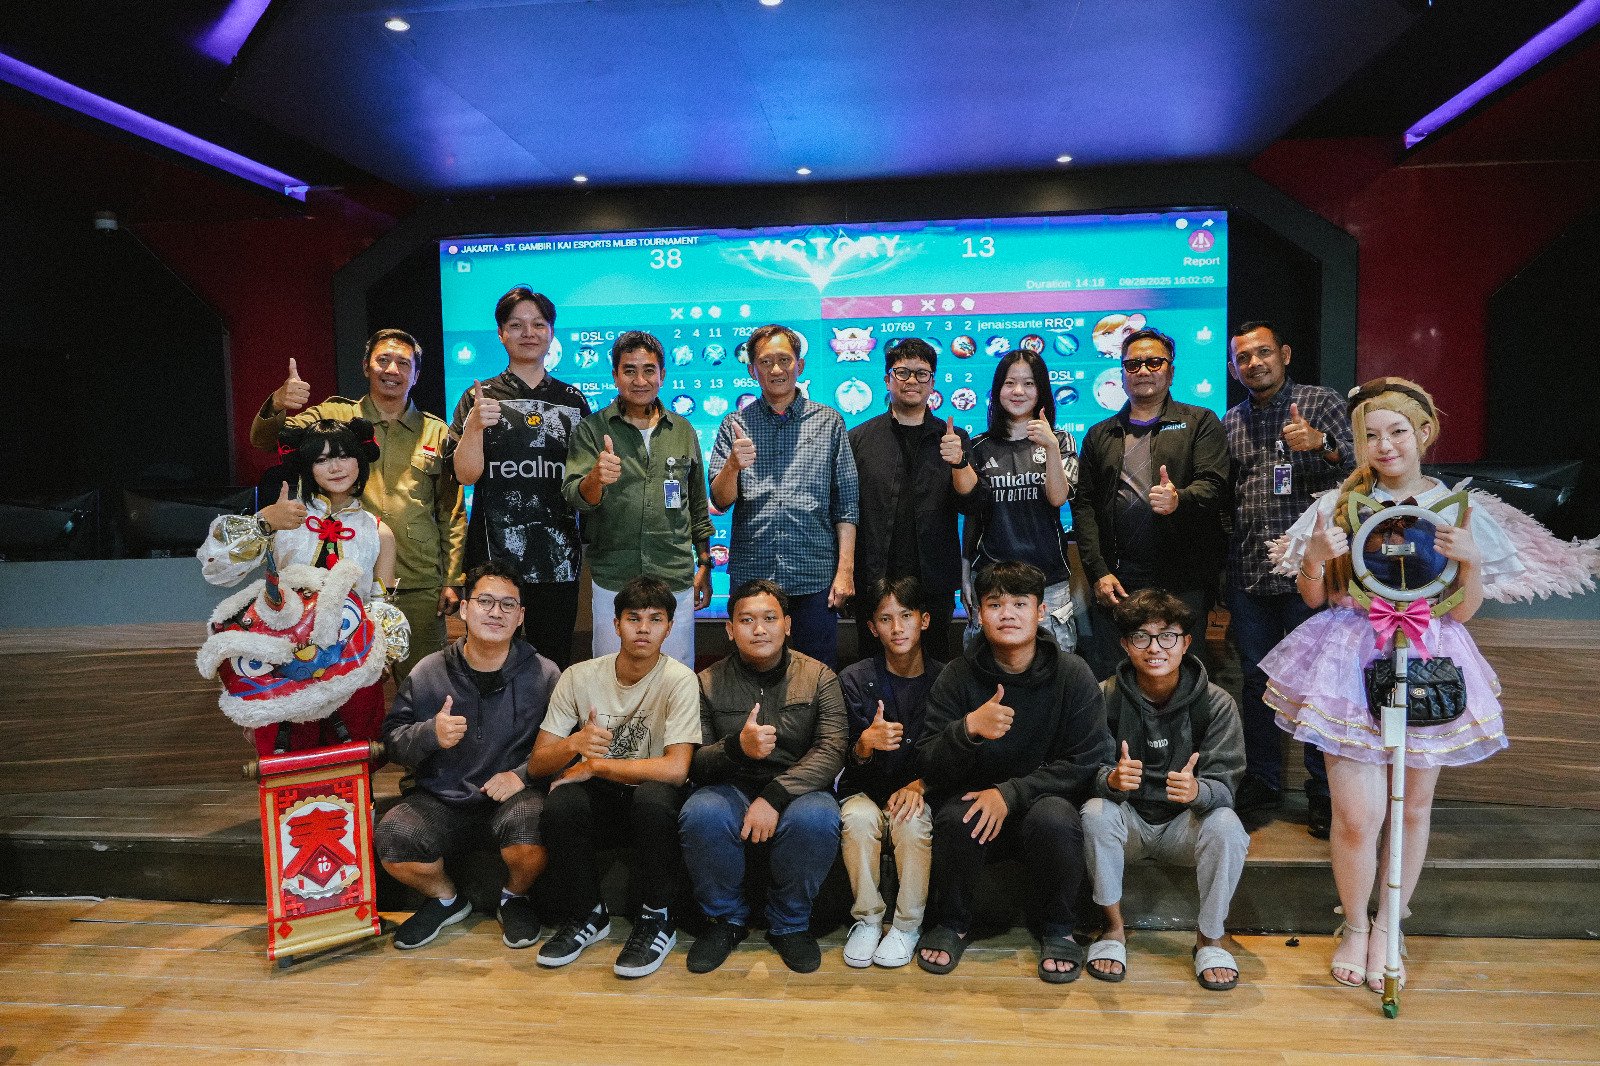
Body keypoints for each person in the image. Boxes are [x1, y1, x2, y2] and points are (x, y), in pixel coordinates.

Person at [1262, 378, 1534, 992]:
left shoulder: (1457, 509)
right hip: (1351, 657)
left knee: (1412, 807)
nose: (1385, 445)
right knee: (1357, 815)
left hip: (1429, 653)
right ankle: (1356, 925)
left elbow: (1464, 611)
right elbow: (1315, 595)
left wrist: (1470, 559)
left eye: (1397, 432)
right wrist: (1316, 553)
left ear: (1423, 433)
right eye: (1371, 435)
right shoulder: (1340, 503)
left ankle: (1391, 925)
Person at [914, 561, 1113, 982]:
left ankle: (1058, 928)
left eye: (1020, 604)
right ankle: (953, 922)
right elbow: (928, 760)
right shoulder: (957, 676)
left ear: (1040, 612)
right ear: (978, 614)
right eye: (994, 604)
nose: (1007, 614)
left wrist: (1010, 793)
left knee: (1055, 817)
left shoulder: (1072, 673)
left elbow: (1086, 759)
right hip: (977, 803)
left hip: (1043, 804)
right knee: (956, 816)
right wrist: (968, 729)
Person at [249, 330, 466, 682]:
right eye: (383, 360)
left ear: (416, 375)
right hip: (343, 582)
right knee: (346, 686)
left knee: (425, 685)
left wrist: (453, 579)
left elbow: (450, 511)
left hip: (418, 582)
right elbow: (265, 440)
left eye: (403, 363)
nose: (392, 369)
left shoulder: (435, 432)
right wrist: (277, 402)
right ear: (366, 366)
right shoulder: (334, 415)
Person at [374, 559, 560, 951]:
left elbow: (563, 747)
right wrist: (429, 734)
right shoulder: (429, 671)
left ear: (521, 616)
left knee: (534, 831)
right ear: (463, 608)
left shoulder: (544, 674)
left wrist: (523, 775)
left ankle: (514, 896)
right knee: (393, 837)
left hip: (513, 798)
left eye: (508, 605)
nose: (496, 612)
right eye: (485, 601)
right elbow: (392, 740)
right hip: (442, 797)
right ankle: (446, 899)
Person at [527, 575, 702, 978]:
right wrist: (574, 744)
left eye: (655, 619)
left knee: (653, 799)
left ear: (669, 628)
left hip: (651, 794)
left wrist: (597, 764)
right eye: (633, 618)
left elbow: (676, 769)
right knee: (562, 803)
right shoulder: (579, 676)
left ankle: (657, 918)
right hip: (602, 794)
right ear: (616, 624)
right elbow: (538, 764)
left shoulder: (679, 679)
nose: (643, 628)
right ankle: (587, 914)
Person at [1081, 589, 1250, 991]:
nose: (1155, 648)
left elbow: (1227, 785)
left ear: (1186, 642)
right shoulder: (1105, 696)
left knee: (1227, 825)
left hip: (1183, 827)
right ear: (1126, 645)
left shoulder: (1216, 703)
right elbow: (1084, 769)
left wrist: (1198, 791)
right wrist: (1110, 780)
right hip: (1129, 825)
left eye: (1167, 636)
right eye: (1141, 637)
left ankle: (1209, 938)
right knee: (1094, 813)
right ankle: (1113, 928)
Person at [199, 417, 399, 753]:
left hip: (350, 662)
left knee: (353, 754)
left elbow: (382, 605)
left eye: (344, 455)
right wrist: (263, 523)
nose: (335, 467)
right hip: (282, 661)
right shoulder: (284, 517)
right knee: (288, 757)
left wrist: (383, 659)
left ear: (360, 460)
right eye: (321, 459)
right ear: (306, 466)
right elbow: (216, 570)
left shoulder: (378, 531)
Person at [678, 578, 847, 974]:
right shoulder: (705, 682)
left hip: (798, 788)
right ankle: (725, 920)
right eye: (747, 620)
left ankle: (790, 923)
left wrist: (775, 794)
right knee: (700, 812)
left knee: (818, 817)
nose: (759, 629)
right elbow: (695, 762)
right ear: (729, 628)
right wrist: (738, 747)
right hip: (730, 786)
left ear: (787, 624)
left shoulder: (820, 676)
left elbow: (832, 749)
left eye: (770, 618)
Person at [1224, 321, 1353, 835]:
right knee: (1257, 681)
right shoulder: (1231, 421)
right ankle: (1263, 782)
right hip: (1251, 574)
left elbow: (1359, 466)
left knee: (1317, 683)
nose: (1254, 363)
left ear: (1285, 354)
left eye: (1263, 352)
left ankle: (1322, 792)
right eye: (1244, 357)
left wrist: (1321, 444)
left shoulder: (1321, 403)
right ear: (1234, 368)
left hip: (1312, 575)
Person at [449, 287, 591, 669]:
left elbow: (583, 485)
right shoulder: (479, 397)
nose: (528, 333)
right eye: (516, 325)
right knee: (489, 659)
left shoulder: (573, 401)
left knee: (552, 663)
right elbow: (464, 475)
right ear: (501, 334)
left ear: (551, 332)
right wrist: (474, 427)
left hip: (558, 559)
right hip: (493, 559)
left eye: (538, 324)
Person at [1074, 327, 1229, 678]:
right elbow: (1084, 507)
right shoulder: (1100, 434)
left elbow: (1215, 485)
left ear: (1171, 371)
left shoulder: (1200, 421)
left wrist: (1179, 499)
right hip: (1118, 581)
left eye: (1154, 362)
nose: (1143, 370)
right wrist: (1098, 572)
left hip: (1182, 580)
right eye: (1133, 364)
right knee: (1116, 675)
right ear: (1122, 374)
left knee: (1184, 674)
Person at [709, 324, 859, 666]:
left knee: (817, 672)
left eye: (784, 360)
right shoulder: (734, 424)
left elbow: (847, 505)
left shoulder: (829, 421)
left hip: (813, 575)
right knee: (752, 671)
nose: (776, 369)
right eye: (765, 362)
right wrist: (733, 465)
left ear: (799, 365)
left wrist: (845, 571)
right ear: (752, 370)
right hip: (753, 576)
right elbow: (720, 500)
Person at [563, 331, 714, 667]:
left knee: (676, 676)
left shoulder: (683, 430)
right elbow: (576, 497)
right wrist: (596, 477)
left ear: (662, 375)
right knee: (611, 674)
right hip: (613, 577)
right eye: (629, 370)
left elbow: (696, 504)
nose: (640, 380)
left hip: (673, 574)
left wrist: (705, 562)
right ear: (615, 375)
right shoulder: (591, 429)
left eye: (649, 370)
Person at [836, 576, 941, 969]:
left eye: (906, 616)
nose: (897, 628)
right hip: (864, 790)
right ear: (872, 627)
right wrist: (865, 743)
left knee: (912, 823)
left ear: (924, 620)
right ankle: (867, 921)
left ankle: (907, 926)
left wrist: (922, 784)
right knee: (858, 820)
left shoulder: (945, 680)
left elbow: (957, 754)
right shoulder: (853, 678)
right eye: (885, 619)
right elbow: (837, 754)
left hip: (917, 792)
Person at [848, 337, 971, 662]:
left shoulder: (953, 438)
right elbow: (845, 510)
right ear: (887, 379)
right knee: (873, 667)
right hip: (874, 579)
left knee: (935, 665)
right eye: (902, 372)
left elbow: (972, 505)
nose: (911, 380)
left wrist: (959, 462)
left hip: (934, 580)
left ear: (932, 382)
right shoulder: (859, 439)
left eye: (921, 373)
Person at [957, 348, 1080, 653]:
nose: (1018, 391)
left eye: (1028, 383)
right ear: (997, 390)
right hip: (991, 580)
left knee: (1053, 667)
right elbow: (972, 515)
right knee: (989, 667)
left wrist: (1050, 448)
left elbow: (1057, 497)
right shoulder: (979, 446)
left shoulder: (1060, 440)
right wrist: (965, 574)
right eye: (1010, 383)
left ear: (1041, 391)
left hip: (1048, 581)